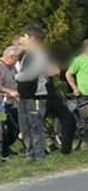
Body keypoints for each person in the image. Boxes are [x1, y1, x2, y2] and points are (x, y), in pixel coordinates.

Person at [14, 25, 53, 162]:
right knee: (25, 127)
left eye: (24, 36)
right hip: (24, 96)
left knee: (35, 126)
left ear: (32, 38)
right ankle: (30, 154)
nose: (22, 39)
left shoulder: (39, 54)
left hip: (36, 95)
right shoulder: (25, 55)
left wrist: (17, 77)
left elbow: (32, 73)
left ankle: (39, 155)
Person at [0, 45, 20, 160]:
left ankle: (6, 148)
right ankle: (4, 151)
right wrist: (10, 92)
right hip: (3, 102)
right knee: (9, 127)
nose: (17, 61)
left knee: (15, 128)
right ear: (11, 57)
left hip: (13, 102)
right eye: (16, 58)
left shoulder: (12, 67)